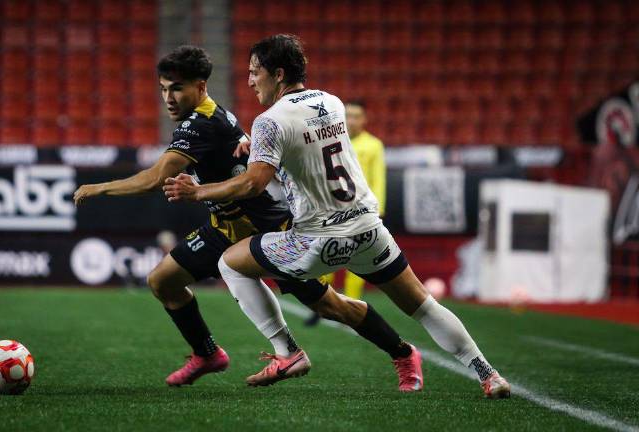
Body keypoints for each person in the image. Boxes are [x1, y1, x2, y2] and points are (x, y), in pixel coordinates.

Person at [163, 35, 510, 398]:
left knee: (231, 263)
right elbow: (308, 154)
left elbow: (253, 184)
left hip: (318, 239)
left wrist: (197, 191)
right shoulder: (332, 102)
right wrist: (264, 150)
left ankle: (287, 352)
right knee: (423, 305)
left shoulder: (268, 122)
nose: (250, 81)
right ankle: (488, 374)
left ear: (278, 74)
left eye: (255, 72)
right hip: (368, 229)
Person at [74, 45, 423, 390]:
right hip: (224, 228)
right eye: (164, 89)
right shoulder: (213, 117)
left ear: (200, 86)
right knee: (163, 281)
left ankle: (403, 353)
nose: (168, 98)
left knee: (333, 307)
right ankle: (207, 354)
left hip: (266, 228)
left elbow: (155, 178)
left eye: (176, 88)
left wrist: (99, 188)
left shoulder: (202, 124)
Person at [306, 100, 386, 325]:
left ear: (364, 119)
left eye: (356, 116)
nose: (351, 120)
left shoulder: (373, 145)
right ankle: (324, 304)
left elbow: (378, 178)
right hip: (332, 209)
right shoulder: (331, 140)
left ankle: (352, 308)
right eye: (347, 115)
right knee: (326, 257)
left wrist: (378, 209)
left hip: (361, 210)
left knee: (358, 262)